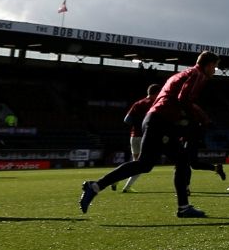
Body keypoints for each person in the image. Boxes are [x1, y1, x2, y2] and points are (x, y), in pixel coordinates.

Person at [80, 53, 218, 219]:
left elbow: (177, 100)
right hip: (161, 121)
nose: (215, 70)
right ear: (209, 65)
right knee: (177, 160)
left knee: (147, 164)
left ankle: (94, 186)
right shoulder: (197, 75)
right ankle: (183, 207)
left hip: (155, 119)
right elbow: (184, 99)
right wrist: (195, 122)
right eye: (215, 66)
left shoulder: (184, 74)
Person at [118, 86, 157, 193]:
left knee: (135, 163)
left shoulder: (138, 103)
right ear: (156, 93)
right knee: (142, 165)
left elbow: (127, 120)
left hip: (134, 136)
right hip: (145, 137)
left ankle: (116, 179)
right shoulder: (155, 104)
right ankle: (127, 187)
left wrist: (137, 124)